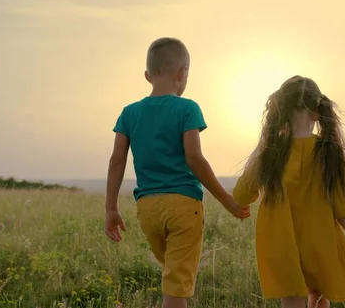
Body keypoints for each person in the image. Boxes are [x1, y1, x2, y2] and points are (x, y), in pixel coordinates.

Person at [104, 37, 250, 308]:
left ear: (148, 76)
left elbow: (116, 162)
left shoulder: (128, 113)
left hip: (147, 209)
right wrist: (227, 201)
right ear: (183, 72)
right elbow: (194, 158)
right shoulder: (187, 108)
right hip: (183, 206)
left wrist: (111, 208)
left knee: (173, 277)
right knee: (175, 288)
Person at [233, 75, 345, 308]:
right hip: (320, 243)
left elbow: (241, 196)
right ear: (317, 112)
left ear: (280, 111)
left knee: (292, 299)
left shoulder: (271, 152)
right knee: (319, 295)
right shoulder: (327, 151)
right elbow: (340, 206)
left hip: (281, 245)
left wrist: (262, 145)